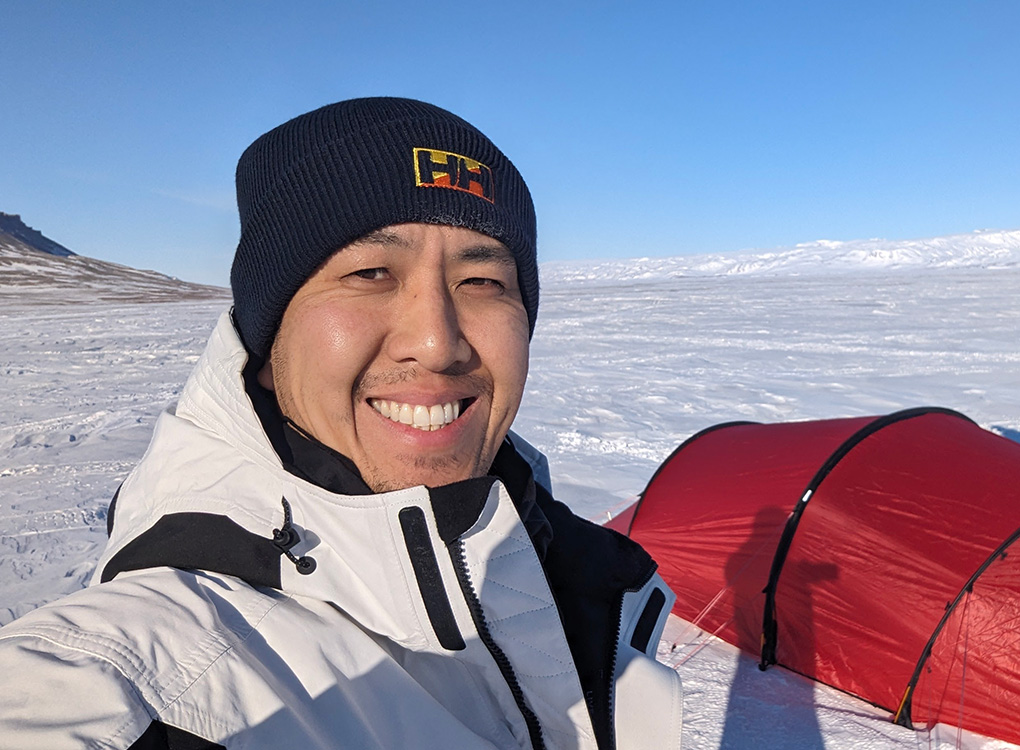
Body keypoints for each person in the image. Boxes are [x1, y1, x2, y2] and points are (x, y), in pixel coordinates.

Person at [0, 97, 681, 749]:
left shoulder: (566, 569)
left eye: (482, 283)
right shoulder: (158, 676)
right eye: (371, 273)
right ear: (267, 346)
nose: (438, 343)